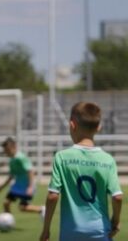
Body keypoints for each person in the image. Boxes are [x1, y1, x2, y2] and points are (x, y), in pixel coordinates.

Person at [40, 102, 123, 241]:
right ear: (99, 127)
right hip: (100, 231)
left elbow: (52, 196)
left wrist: (46, 230)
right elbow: (117, 197)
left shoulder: (62, 157)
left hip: (71, 232)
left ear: (72, 125)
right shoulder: (108, 160)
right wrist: (115, 220)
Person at [0, 137, 44, 216]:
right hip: (17, 186)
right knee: (6, 203)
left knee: (23, 207)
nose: (6, 152)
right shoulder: (12, 160)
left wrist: (30, 187)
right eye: (5, 151)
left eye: (7, 150)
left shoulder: (21, 158)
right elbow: (11, 176)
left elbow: (30, 171)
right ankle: (8, 221)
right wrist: (0, 188)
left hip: (26, 187)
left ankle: (42, 209)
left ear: (14, 147)